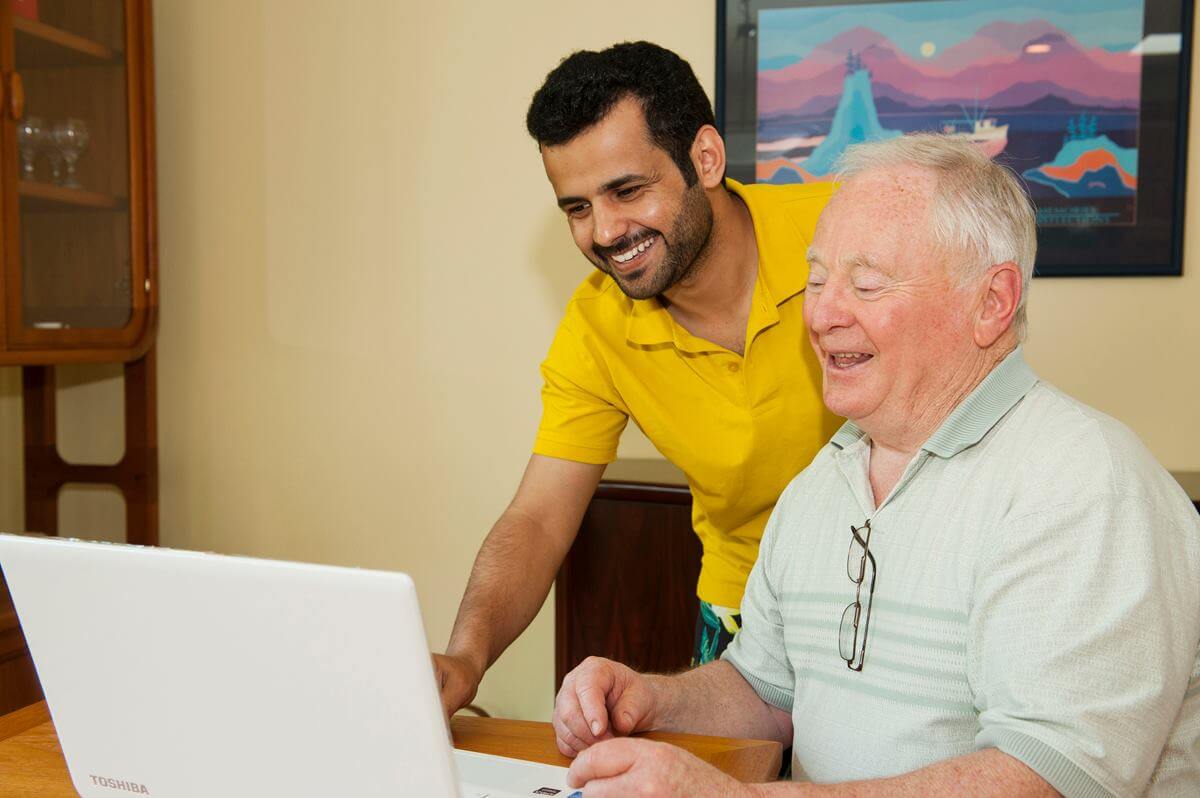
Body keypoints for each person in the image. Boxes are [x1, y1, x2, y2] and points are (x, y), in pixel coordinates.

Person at [550, 134, 1200, 797]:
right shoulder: (820, 486)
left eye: (866, 283)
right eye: (816, 280)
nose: (823, 314)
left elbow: (1046, 780)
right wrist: (651, 701)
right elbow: (770, 690)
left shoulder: (1083, 482)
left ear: (992, 303)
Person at [434, 41, 840, 718]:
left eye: (627, 191)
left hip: (893, 602)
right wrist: (466, 656)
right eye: (577, 208)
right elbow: (537, 519)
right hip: (744, 616)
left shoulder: (844, 230)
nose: (605, 231)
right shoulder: (595, 326)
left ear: (704, 160)